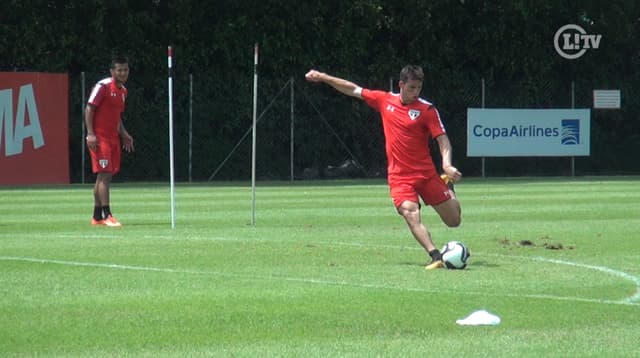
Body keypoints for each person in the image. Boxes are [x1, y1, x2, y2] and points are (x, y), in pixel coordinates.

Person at [305, 65, 462, 269]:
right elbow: (353, 90)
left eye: (419, 88)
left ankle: (448, 187)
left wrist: (447, 165)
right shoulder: (385, 100)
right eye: (412, 87)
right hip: (399, 177)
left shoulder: (427, 110)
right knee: (409, 212)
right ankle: (435, 255)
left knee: (454, 221)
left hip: (426, 174)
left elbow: (442, 139)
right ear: (401, 85)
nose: (416, 92)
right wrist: (324, 77)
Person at [85, 55, 134, 227]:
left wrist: (124, 133)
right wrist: (90, 134)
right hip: (100, 138)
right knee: (104, 175)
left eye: (125, 70)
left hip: (113, 138)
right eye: (119, 70)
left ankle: (97, 216)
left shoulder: (123, 91)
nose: (123, 73)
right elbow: (90, 109)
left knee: (104, 176)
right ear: (112, 71)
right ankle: (108, 215)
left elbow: (116, 116)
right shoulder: (103, 86)